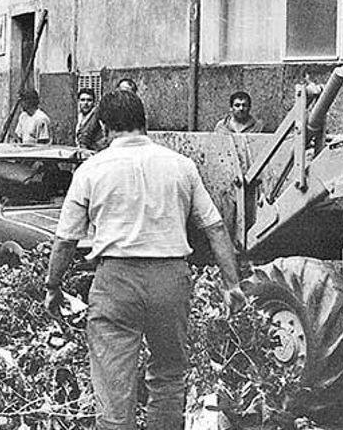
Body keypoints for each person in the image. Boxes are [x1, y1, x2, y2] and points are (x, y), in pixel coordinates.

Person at [43, 89, 244, 430]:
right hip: (170, 281)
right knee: (168, 375)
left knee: (113, 383)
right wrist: (232, 284)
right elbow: (215, 228)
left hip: (116, 283)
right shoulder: (181, 165)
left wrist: (53, 286)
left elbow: (65, 241)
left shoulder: (92, 170)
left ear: (104, 126)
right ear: (144, 122)